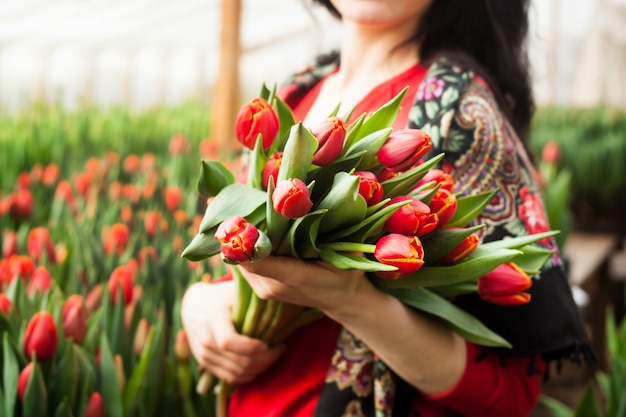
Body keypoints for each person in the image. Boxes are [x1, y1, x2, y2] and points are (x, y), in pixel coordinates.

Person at [181, 1, 595, 416]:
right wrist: (201, 304)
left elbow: (509, 395)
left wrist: (353, 302)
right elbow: (238, 272)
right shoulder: (296, 90)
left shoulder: (460, 114)